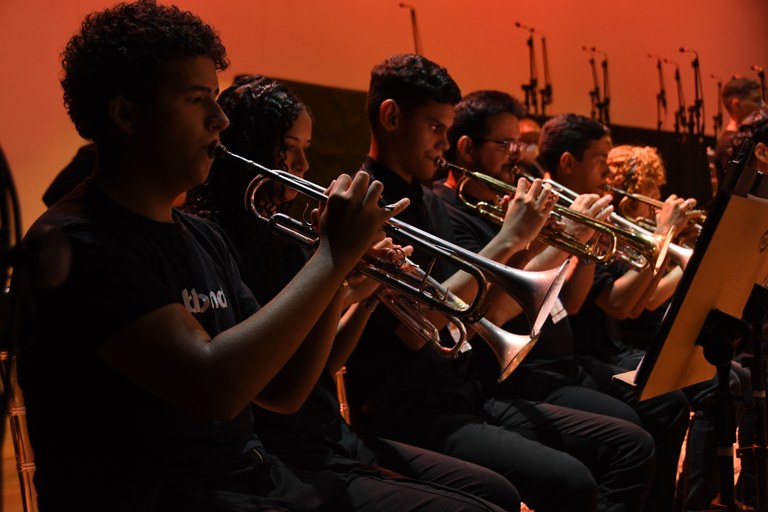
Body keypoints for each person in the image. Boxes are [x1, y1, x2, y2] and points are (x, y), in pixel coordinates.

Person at [16, 4, 522, 512]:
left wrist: (342, 272)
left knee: (484, 503)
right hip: (169, 496)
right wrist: (331, 257)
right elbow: (215, 388)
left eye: (215, 98)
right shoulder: (80, 240)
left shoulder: (200, 237)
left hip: (252, 477)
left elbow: (285, 389)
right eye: (196, 100)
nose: (219, 119)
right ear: (126, 114)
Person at [183, 73, 522, 512]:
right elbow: (283, 388)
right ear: (253, 147)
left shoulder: (285, 239)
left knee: (496, 493)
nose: (304, 166)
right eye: (290, 148)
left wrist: (364, 288)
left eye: (307, 149)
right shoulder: (219, 239)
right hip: (291, 444)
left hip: (330, 432)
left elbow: (325, 361)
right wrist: (334, 267)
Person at [345, 54, 657, 512]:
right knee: (570, 481)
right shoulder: (364, 206)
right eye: (435, 128)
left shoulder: (429, 203)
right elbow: (417, 331)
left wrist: (534, 246)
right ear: (391, 117)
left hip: (464, 393)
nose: (444, 143)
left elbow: (477, 310)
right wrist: (510, 240)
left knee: (628, 443)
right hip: (407, 409)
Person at [537, 114, 694, 512]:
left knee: (678, 396)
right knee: (655, 411)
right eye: (599, 162)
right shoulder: (547, 213)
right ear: (568, 163)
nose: (607, 175)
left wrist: (662, 246)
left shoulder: (597, 215)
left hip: (602, 348)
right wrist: (662, 238)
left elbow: (637, 303)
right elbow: (622, 305)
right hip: (582, 352)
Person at [713, 77, 765, 184]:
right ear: (736, 105)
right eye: (756, 100)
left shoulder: (755, 133)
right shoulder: (727, 144)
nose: (763, 106)